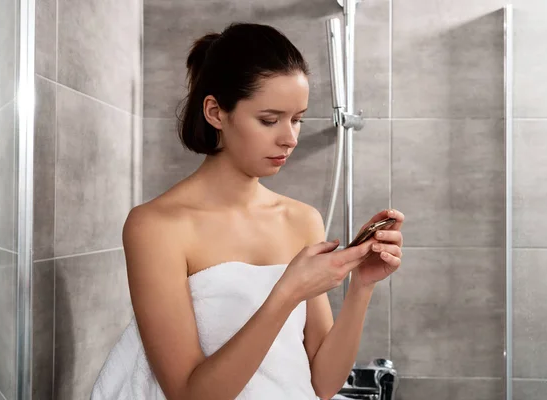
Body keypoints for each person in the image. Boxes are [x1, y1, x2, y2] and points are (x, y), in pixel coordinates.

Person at [91, 22, 404, 400]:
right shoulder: (156, 227)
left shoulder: (301, 219)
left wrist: (362, 287)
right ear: (215, 112)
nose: (289, 137)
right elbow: (189, 394)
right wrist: (287, 293)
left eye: (297, 118)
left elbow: (322, 384)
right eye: (269, 120)